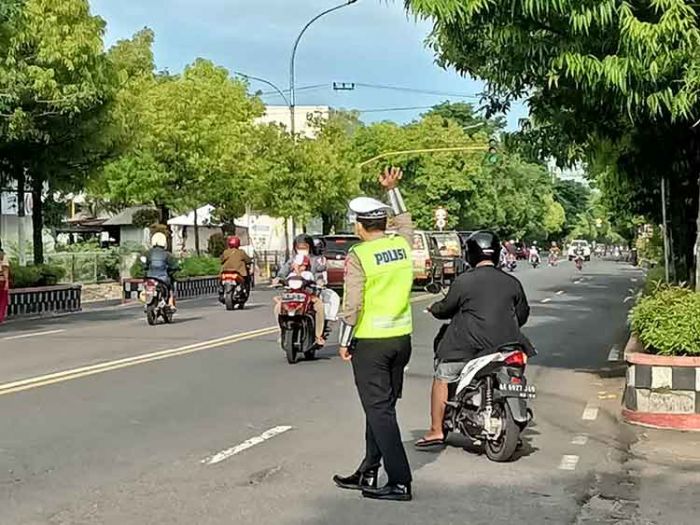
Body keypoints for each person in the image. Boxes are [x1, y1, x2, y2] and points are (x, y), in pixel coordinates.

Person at [333, 167, 414, 502]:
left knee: (379, 411)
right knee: (380, 406)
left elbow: (353, 302)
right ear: (384, 223)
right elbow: (406, 221)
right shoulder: (403, 245)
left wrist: (343, 339)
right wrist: (393, 190)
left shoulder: (359, 255)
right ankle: (368, 469)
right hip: (402, 339)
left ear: (358, 225)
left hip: (371, 343)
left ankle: (400, 481)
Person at [415, 231, 531, 448]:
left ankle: (436, 430)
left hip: (466, 347)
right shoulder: (512, 282)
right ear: (496, 253)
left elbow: (446, 308)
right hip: (507, 346)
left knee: (443, 375)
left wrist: (434, 308)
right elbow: (522, 314)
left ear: (470, 255)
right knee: (516, 374)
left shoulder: (464, 281)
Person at [274, 254, 326, 346]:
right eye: (300, 265)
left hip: (308, 297)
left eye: (304, 265)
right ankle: (281, 332)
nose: (302, 267)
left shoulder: (308, 274)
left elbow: (317, 280)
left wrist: (319, 283)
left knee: (319, 306)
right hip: (291, 298)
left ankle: (318, 335)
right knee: (278, 307)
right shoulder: (290, 274)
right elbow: (281, 280)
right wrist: (278, 281)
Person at [145, 232, 179, 310]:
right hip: (163, 277)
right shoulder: (167, 254)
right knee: (171, 286)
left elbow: (144, 265)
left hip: (150, 277)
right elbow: (174, 265)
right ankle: (170, 304)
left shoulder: (148, 253)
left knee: (147, 287)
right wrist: (176, 268)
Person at [0, 243, 10, 324]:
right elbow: (5, 269)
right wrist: (7, 282)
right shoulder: (3, 256)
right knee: (3, 300)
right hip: (1, 280)